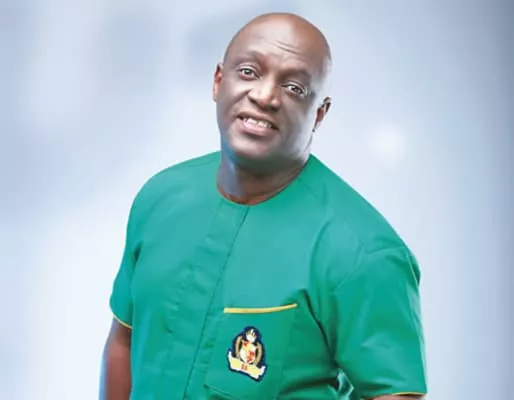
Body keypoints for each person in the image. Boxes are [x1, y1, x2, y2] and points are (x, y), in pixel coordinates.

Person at [100, 12, 428, 400]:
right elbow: (124, 340)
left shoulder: (362, 251)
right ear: (218, 81)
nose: (265, 96)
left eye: (294, 87)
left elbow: (394, 394)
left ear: (319, 114)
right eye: (249, 72)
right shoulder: (161, 198)